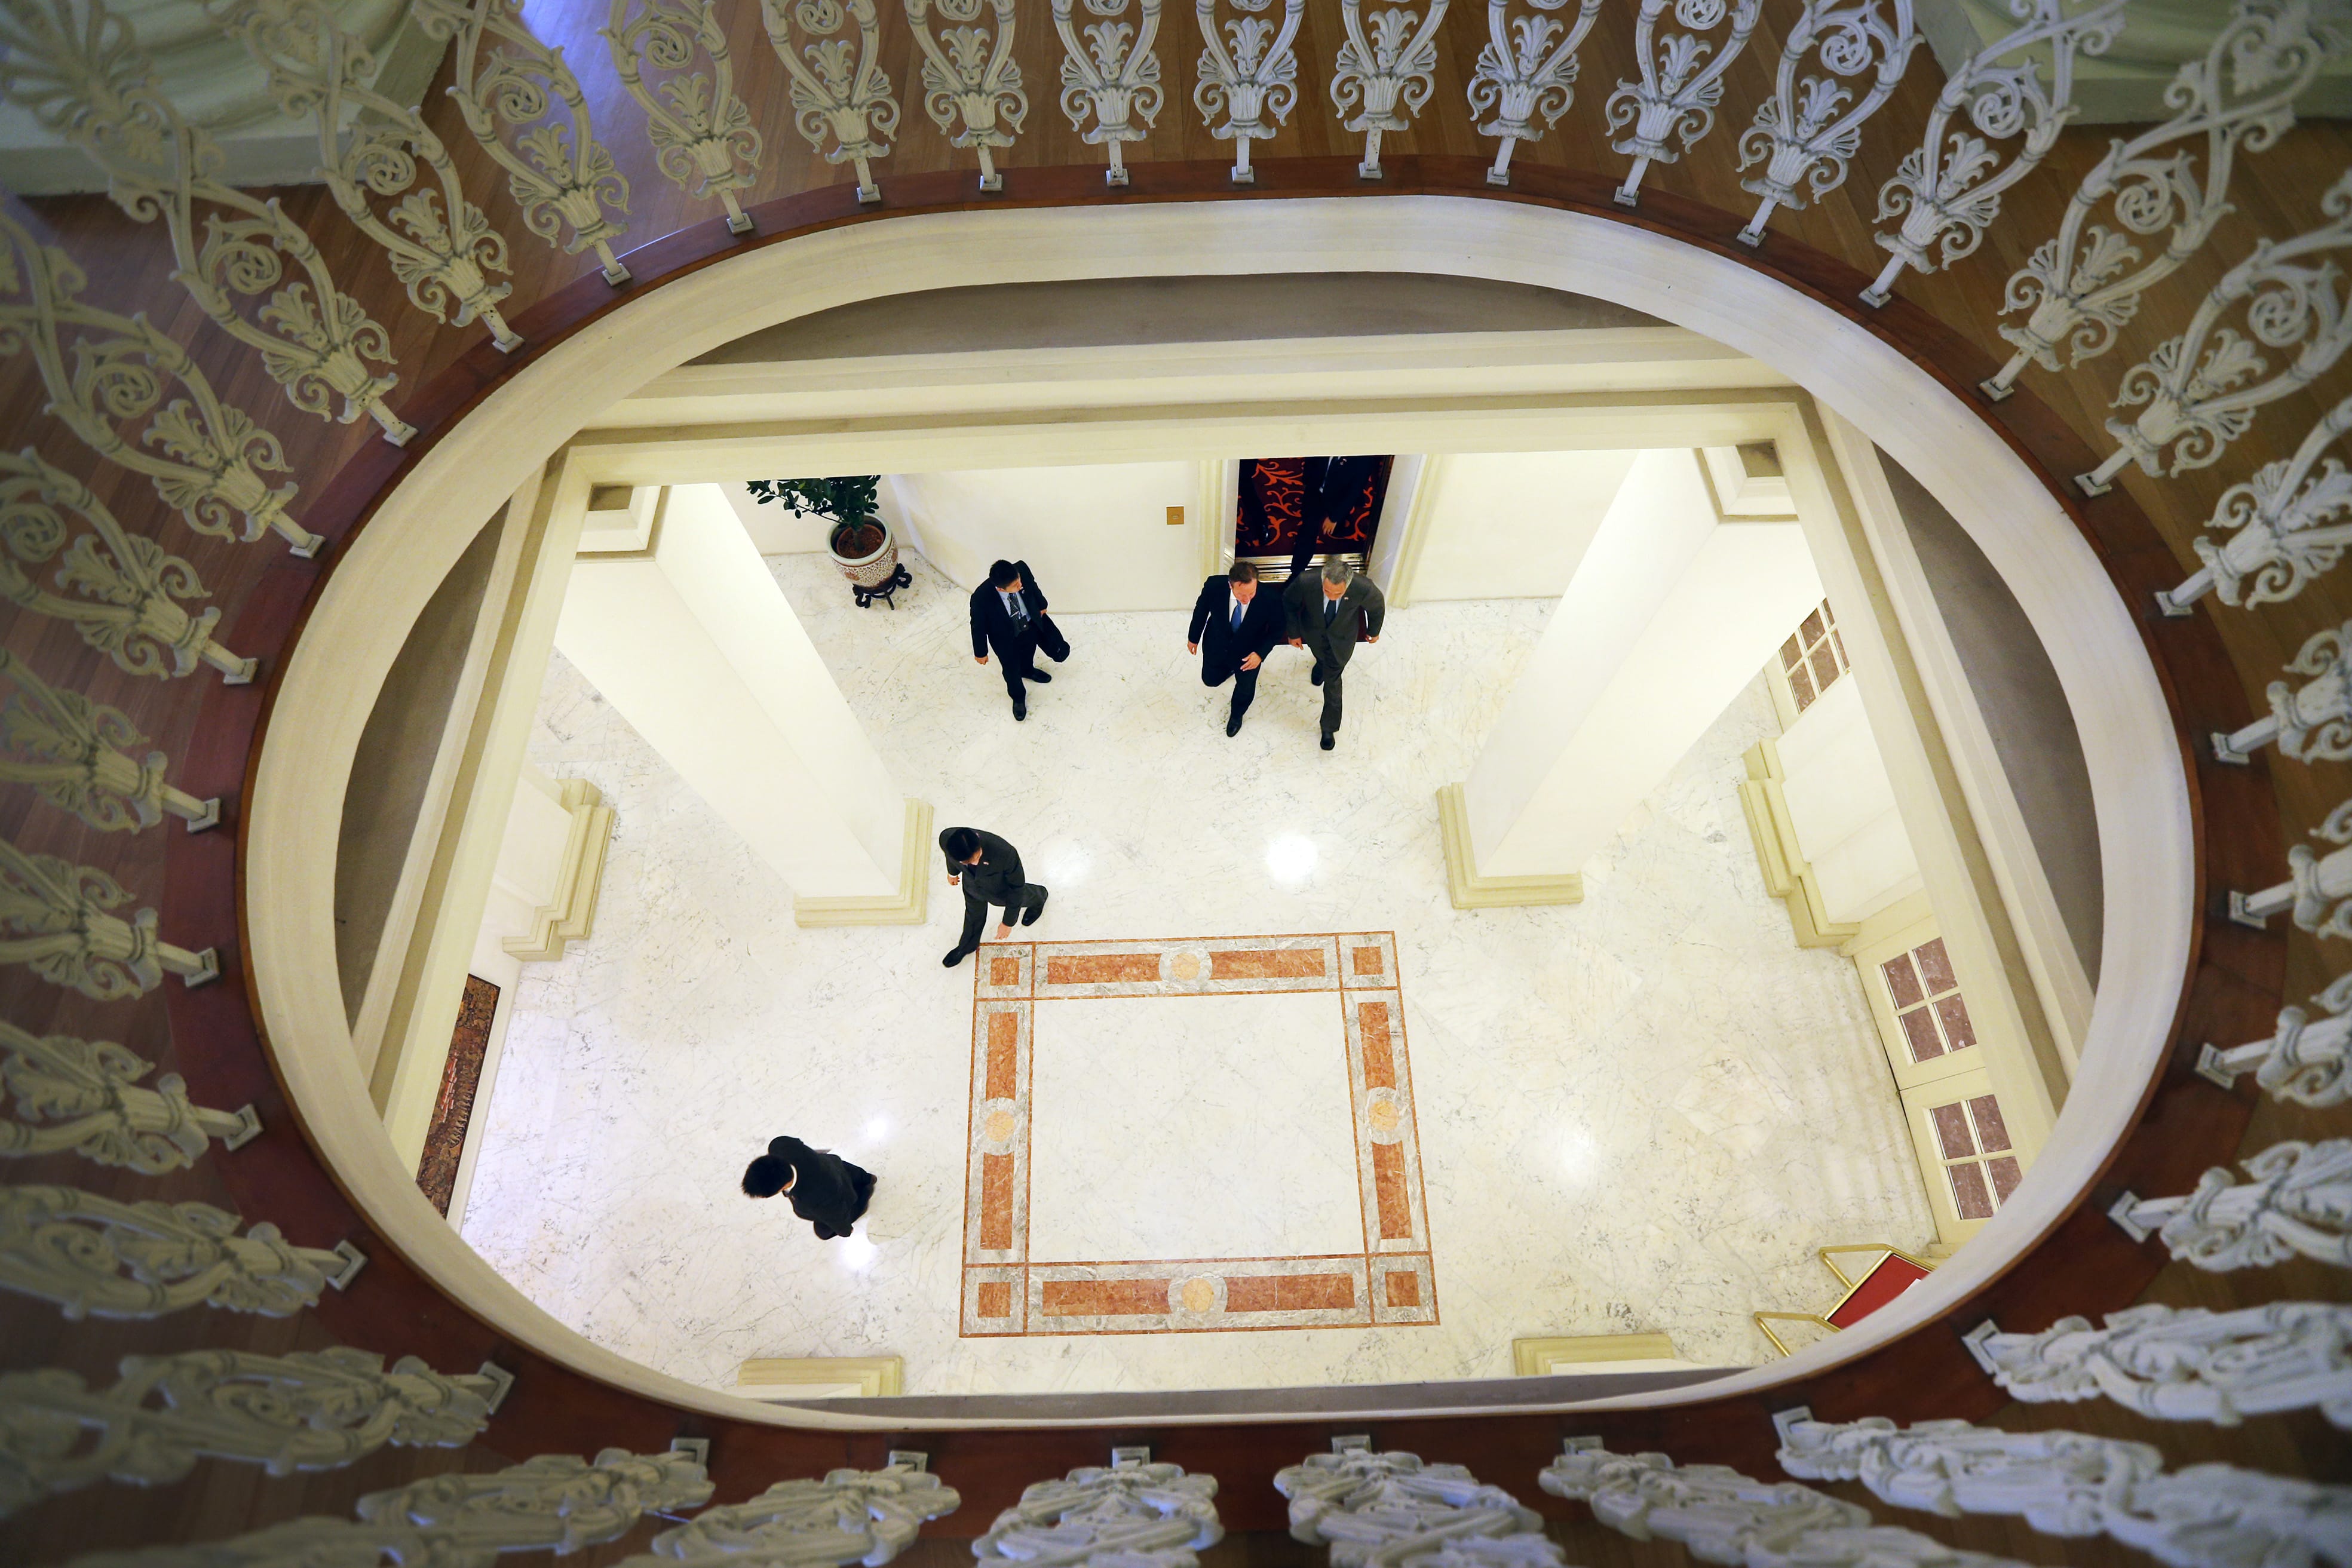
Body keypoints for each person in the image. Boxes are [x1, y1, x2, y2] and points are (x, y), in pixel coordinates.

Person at [1284, 557, 1385, 751]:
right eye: (1327, 591)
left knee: (1333, 683)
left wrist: (1374, 631)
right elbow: (1289, 602)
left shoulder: (1363, 587)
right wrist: (1294, 632)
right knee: (1321, 656)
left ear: (1347, 585)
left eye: (1337, 594)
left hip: (1342, 639)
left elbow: (1377, 606)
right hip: (1313, 632)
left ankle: (1329, 727)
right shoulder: (1307, 581)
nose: (1331, 596)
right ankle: (1321, 663)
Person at [1188, 561, 1284, 737]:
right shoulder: (1214, 586)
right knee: (1210, 680)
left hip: (1249, 653)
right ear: (1230, 585)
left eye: (1251, 593)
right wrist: (1193, 638)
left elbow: (1277, 631)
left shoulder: (1271, 598)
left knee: (1245, 689)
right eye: (1241, 595)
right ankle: (1228, 670)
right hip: (1217, 645)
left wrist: (1260, 654)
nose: (1247, 599)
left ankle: (1237, 715)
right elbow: (1201, 611)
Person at [968, 559, 1069, 721]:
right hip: (1005, 637)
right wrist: (980, 652)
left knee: (1032, 649)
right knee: (1011, 669)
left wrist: (1042, 604)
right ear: (1000, 589)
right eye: (1015, 586)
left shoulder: (1020, 570)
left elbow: (1033, 586)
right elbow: (978, 626)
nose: (1020, 585)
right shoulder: (981, 598)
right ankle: (1018, 697)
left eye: (1019, 580)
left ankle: (1028, 670)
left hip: (1029, 623)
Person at [939, 824, 1047, 967]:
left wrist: (1008, 922)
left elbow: (1016, 888)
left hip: (1000, 888)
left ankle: (1040, 897)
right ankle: (967, 946)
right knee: (973, 915)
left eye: (977, 857)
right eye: (970, 862)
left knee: (1024, 896)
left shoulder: (1005, 853)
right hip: (972, 887)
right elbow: (950, 857)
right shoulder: (947, 838)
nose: (976, 863)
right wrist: (953, 873)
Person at [741, 1135, 876, 1241]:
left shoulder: (813, 1200)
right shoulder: (779, 1145)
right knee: (849, 1173)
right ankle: (867, 1178)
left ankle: (865, 1192)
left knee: (823, 1232)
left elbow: (838, 1217)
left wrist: (845, 1231)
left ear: (782, 1187)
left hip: (841, 1196)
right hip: (833, 1165)